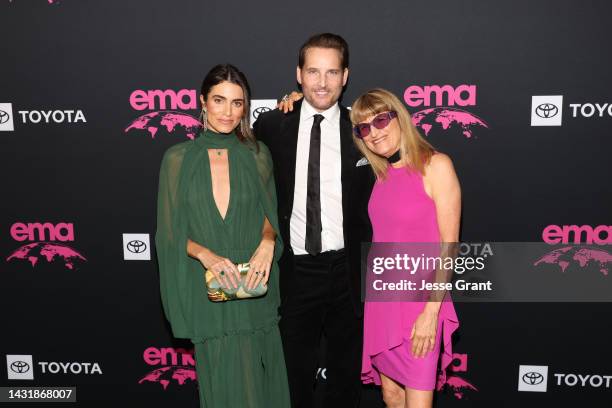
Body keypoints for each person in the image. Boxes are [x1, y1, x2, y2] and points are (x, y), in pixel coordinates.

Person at [155, 63, 290, 408]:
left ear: (245, 107)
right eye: (219, 100)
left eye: (237, 102)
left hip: (252, 290)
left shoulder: (257, 155)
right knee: (223, 388)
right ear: (202, 101)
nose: (228, 112)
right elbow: (170, 235)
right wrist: (205, 254)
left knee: (259, 388)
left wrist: (267, 241)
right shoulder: (177, 159)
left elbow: (270, 216)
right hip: (209, 292)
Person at [253, 33, 374, 408]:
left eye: (332, 72)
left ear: (346, 76)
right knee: (292, 377)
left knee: (345, 378)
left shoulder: (365, 130)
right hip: (295, 270)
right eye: (314, 72)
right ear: (299, 75)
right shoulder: (272, 126)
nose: (322, 82)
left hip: (349, 271)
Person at [350, 88, 460, 408]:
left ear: (400, 117)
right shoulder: (379, 174)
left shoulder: (436, 165)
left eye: (381, 119)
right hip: (382, 301)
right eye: (364, 128)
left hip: (421, 304)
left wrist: (431, 311)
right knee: (391, 396)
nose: (375, 132)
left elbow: (449, 246)